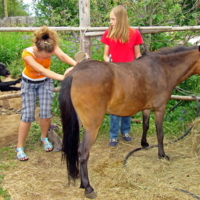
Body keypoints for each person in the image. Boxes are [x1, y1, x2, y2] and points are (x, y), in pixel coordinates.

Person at [16, 26, 77, 161]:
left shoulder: (50, 45)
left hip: (45, 83)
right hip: (29, 83)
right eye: (47, 56)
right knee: (27, 115)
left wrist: (77, 64)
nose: (50, 57)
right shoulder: (27, 54)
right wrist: (64, 77)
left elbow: (62, 55)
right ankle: (19, 147)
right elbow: (42, 70)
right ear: (38, 51)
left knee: (46, 112)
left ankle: (44, 137)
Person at [101, 5, 144, 148]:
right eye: (110, 19)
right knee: (115, 103)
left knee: (129, 102)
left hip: (130, 75)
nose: (111, 22)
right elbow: (105, 56)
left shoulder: (135, 33)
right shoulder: (109, 33)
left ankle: (125, 131)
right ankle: (113, 135)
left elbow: (138, 55)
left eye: (113, 19)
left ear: (120, 19)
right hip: (114, 74)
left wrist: (141, 69)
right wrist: (110, 63)